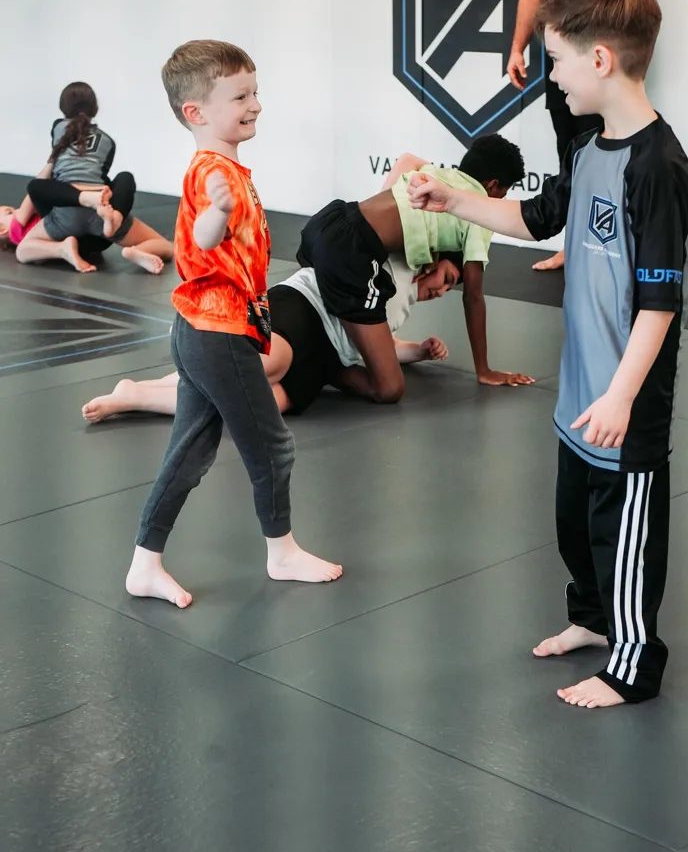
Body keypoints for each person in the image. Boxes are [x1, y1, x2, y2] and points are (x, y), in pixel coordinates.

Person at [409, 0, 688, 708]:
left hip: (624, 399)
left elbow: (661, 303)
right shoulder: (589, 147)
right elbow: (536, 219)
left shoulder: (659, 169)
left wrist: (623, 396)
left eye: (559, 61)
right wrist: (454, 200)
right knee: (576, 522)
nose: (553, 78)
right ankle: (594, 620)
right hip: (579, 391)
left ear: (601, 60)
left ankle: (633, 663)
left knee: (624, 528)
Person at [126, 39, 342, 610]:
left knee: (190, 451)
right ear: (196, 112)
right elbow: (200, 240)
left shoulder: (228, 169)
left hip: (204, 330)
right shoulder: (209, 175)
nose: (256, 104)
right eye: (241, 96)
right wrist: (218, 214)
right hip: (215, 334)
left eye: (256, 92)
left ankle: (144, 565)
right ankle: (282, 550)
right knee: (272, 446)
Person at [296, 134, 534, 406]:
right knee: (388, 388)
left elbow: (408, 162)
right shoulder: (480, 208)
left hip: (326, 221)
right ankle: (323, 366)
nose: (503, 198)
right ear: (492, 186)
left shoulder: (435, 174)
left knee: (322, 309)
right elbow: (473, 296)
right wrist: (484, 369)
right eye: (505, 192)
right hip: (349, 251)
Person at [81, 253, 458, 422]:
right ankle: (160, 372)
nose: (442, 290)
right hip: (303, 304)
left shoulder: (401, 307)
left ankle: (138, 395)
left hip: (328, 356)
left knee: (263, 404)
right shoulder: (396, 263)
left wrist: (419, 351)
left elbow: (378, 347)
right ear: (430, 263)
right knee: (267, 364)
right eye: (447, 279)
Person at [508, 0, 641, 272]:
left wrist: (606, 52)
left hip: (601, 60)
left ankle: (614, 247)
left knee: (610, 151)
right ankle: (573, 245)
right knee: (571, 151)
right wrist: (517, 47)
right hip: (561, 60)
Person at [8, 82, 172, 273]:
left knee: (24, 250)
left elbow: (51, 171)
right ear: (95, 109)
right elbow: (103, 176)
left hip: (66, 214)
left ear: (63, 109)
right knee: (165, 245)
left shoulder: (58, 127)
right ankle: (134, 246)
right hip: (101, 211)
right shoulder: (107, 140)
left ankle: (62, 248)